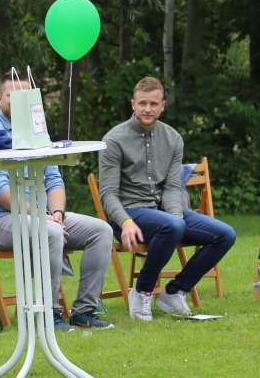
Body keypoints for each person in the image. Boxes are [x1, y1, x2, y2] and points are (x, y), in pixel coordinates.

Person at [0, 71, 114, 331]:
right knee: (49, 231)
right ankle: (49, 313)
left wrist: (57, 212)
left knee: (101, 230)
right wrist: (42, 216)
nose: (17, 101)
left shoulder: (39, 133)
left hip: (44, 216)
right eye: (10, 95)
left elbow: (54, 180)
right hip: (2, 221)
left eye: (23, 96)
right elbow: (1, 193)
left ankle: (84, 311)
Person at [99, 76, 236, 322]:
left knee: (225, 234)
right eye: (142, 103)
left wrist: (176, 217)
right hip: (129, 215)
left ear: (163, 105)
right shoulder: (113, 139)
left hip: (165, 213)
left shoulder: (173, 138)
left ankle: (174, 292)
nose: (148, 109)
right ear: (133, 104)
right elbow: (108, 193)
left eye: (153, 103)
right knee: (172, 225)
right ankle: (141, 291)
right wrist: (126, 221)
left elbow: (173, 187)